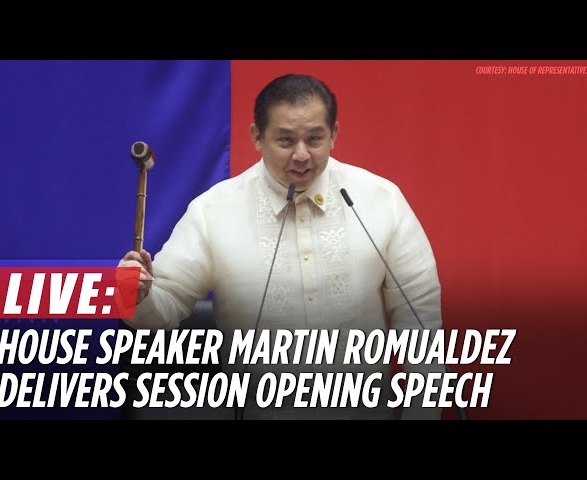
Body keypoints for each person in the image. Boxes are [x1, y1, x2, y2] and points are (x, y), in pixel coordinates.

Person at [119, 73, 444, 420]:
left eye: (315, 138)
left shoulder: (381, 201)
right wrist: (134, 294)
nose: (302, 155)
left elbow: (420, 322)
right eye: (286, 140)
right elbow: (160, 310)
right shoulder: (213, 212)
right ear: (257, 137)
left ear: (334, 133)